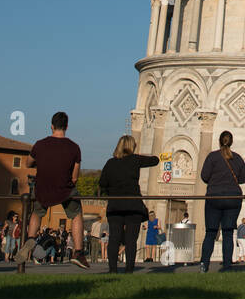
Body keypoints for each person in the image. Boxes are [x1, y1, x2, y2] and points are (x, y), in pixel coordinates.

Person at [14, 112, 88, 270]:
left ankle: (31, 238)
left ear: (51, 126)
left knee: (36, 213)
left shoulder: (40, 144)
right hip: (65, 189)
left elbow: (28, 163)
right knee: (76, 215)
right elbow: (75, 177)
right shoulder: (74, 148)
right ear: (66, 127)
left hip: (42, 187)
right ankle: (78, 252)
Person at [97, 135, 158, 273]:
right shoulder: (135, 160)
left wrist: (110, 192)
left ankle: (113, 269)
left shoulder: (110, 163)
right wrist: (139, 157)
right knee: (131, 239)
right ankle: (129, 269)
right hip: (132, 204)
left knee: (114, 238)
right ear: (132, 147)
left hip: (115, 204)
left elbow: (102, 183)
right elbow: (155, 160)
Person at [199, 130, 245, 272]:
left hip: (214, 197)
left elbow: (204, 176)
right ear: (231, 142)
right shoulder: (237, 158)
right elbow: (243, 178)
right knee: (228, 233)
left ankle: (204, 264)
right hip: (233, 198)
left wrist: (216, 180)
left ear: (219, 141)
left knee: (210, 232)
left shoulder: (213, 157)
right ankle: (227, 265)